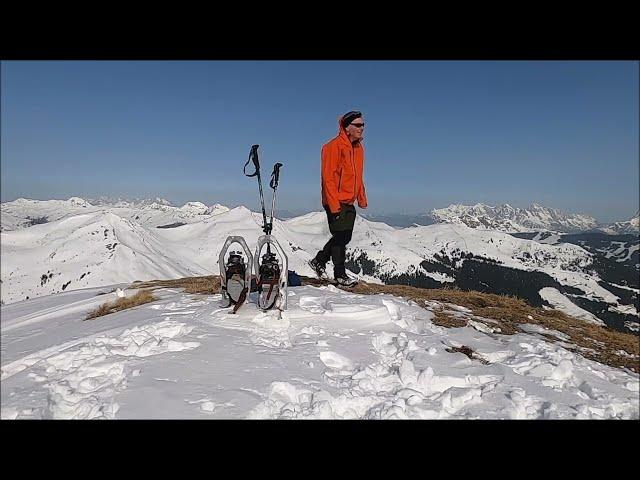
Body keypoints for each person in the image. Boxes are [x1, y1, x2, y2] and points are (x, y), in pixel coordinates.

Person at [308, 110, 368, 286]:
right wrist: (334, 206)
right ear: (346, 127)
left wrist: (361, 197)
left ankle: (319, 261)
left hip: (349, 201)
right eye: (358, 125)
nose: (362, 128)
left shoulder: (358, 149)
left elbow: (358, 176)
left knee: (344, 237)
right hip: (336, 201)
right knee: (340, 237)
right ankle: (339, 275)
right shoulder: (332, 147)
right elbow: (328, 178)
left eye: (363, 124)